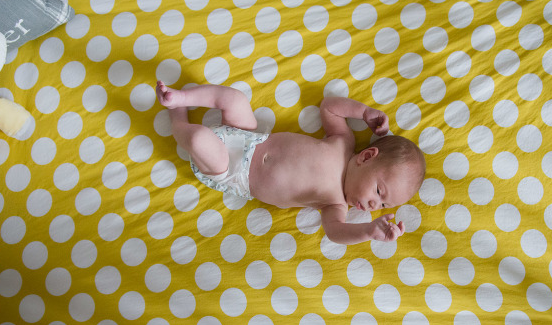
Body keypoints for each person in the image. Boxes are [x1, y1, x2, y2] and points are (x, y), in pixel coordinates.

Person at [156, 81, 426, 245]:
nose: (374, 206)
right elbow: (329, 107)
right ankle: (181, 97)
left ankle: (178, 119)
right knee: (235, 99)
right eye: (379, 192)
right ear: (366, 157)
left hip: (234, 171)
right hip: (249, 136)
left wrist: (367, 231)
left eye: (383, 206)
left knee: (199, 139)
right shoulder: (343, 142)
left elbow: (335, 233)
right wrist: (364, 112)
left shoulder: (335, 203)